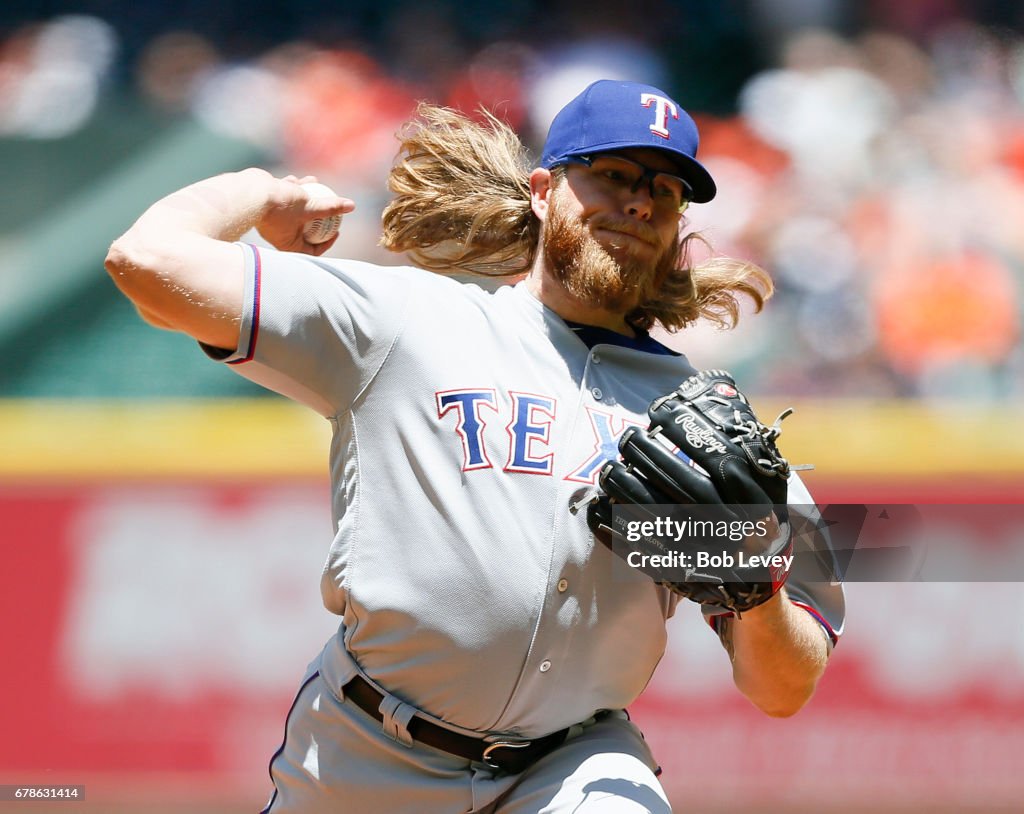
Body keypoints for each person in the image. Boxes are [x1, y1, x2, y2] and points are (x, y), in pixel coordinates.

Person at [105, 79, 844, 813]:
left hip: (572, 767)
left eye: (666, 190)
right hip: (365, 753)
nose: (640, 202)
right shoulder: (408, 321)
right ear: (542, 189)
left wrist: (756, 585)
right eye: (613, 175)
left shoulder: (703, 421)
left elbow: (786, 687)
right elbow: (145, 261)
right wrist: (257, 191)